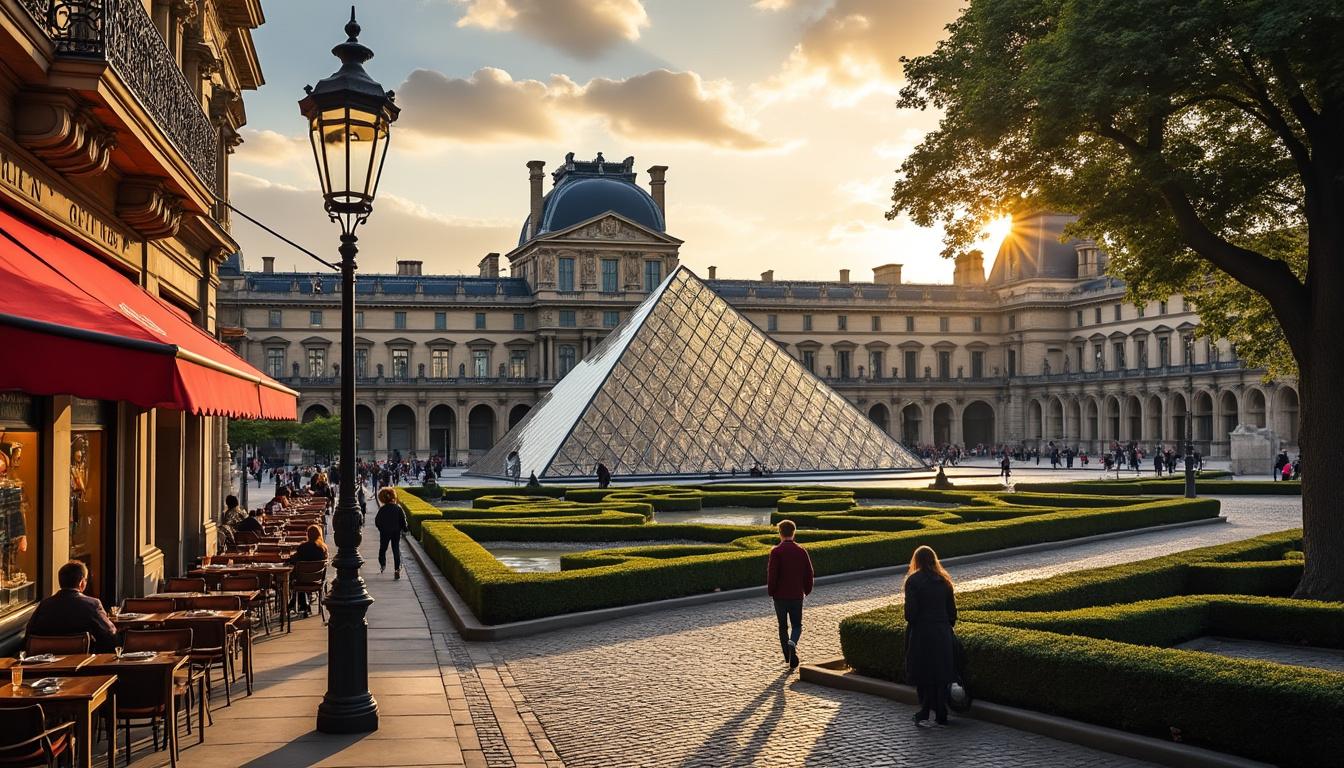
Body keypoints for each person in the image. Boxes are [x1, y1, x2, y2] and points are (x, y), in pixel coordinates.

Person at [904, 545, 958, 728]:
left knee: (923, 672)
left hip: (922, 632)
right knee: (941, 672)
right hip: (942, 631)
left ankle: (924, 710)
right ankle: (940, 712)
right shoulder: (945, 581)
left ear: (916, 561)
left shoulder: (913, 581)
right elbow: (952, 613)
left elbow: (910, 614)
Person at [25, 560, 118, 652]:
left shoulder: (44, 605)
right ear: (81, 582)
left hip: (47, 663)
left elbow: (29, 635)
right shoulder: (92, 604)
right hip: (83, 663)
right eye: (85, 580)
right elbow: (110, 634)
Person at [766, 519, 814, 671]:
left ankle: (788, 656)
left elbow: (772, 574)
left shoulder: (776, 551)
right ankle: (792, 642)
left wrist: (771, 591)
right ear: (794, 532)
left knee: (782, 627)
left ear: (780, 533)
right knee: (797, 625)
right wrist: (806, 590)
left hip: (780, 596)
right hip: (796, 595)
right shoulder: (801, 551)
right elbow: (809, 573)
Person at [287, 524, 328, 616]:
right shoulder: (323, 548)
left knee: (295, 577)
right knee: (302, 575)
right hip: (317, 580)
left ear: (308, 535)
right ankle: (301, 603)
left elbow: (293, 560)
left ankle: (299, 603)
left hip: (302, 580)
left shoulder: (303, 547)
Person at [375, 487, 410, 580]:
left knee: (383, 548)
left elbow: (377, 521)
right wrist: (405, 529)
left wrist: (381, 528)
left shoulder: (382, 509)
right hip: (396, 531)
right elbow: (403, 520)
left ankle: (383, 564)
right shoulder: (398, 508)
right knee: (396, 549)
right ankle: (397, 569)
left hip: (385, 532)